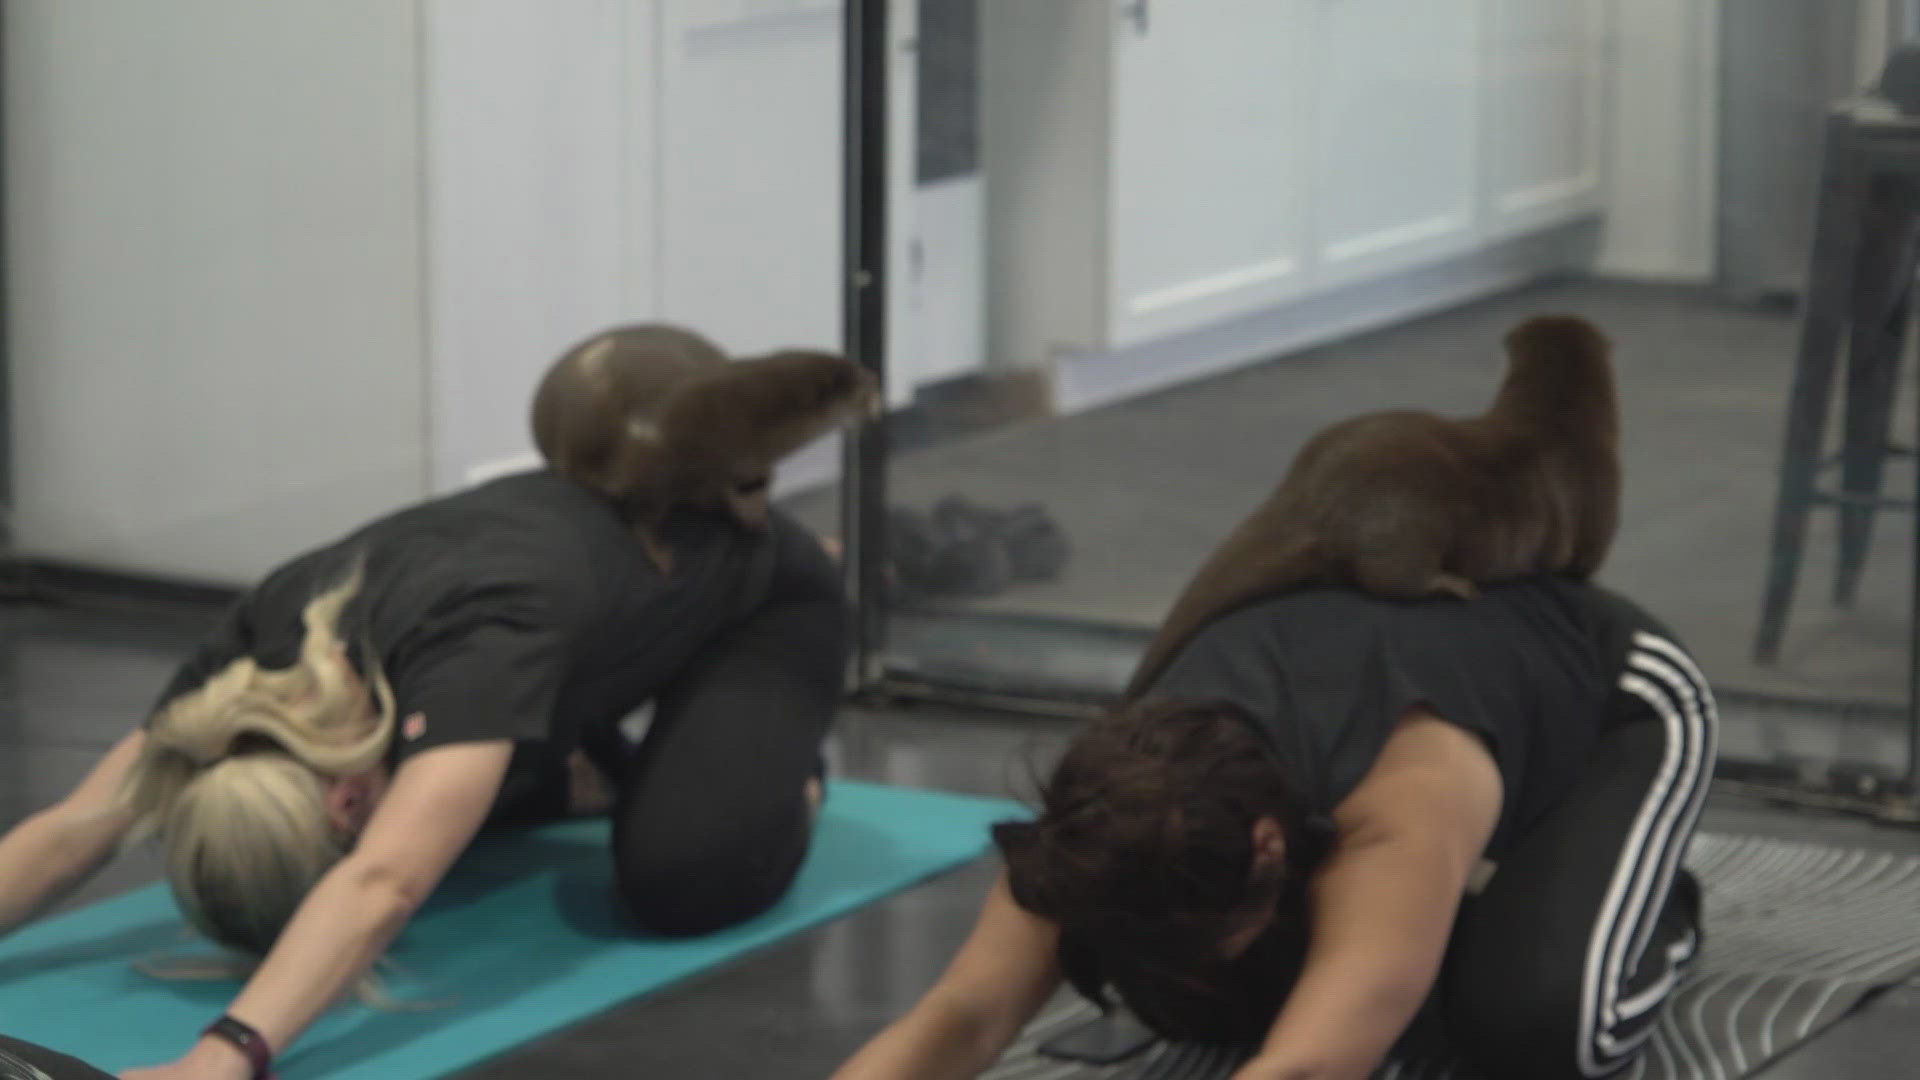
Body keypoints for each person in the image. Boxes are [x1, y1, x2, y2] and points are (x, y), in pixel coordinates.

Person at [0, 466, 848, 1080]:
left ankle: (782, 774)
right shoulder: (252, 669)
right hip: (574, 613)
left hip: (762, 598)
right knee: (448, 794)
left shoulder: (475, 650)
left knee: (680, 878)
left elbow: (385, 881)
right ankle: (577, 763)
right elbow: (78, 826)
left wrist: (222, 1058)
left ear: (344, 798)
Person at [832, 576, 1716, 1080]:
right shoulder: (1104, 813)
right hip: (1336, 705)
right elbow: (962, 1016)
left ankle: (1649, 903)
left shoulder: (1399, 794)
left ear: (1268, 848)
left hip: (1610, 695)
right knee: (1201, 1001)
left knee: (1547, 1026)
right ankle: (1442, 923)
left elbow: (1302, 1069)